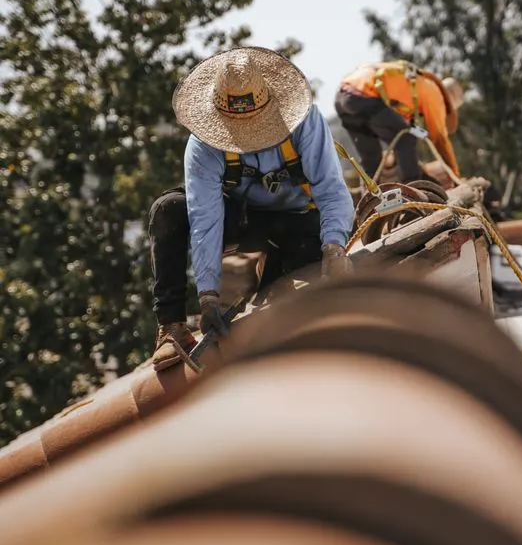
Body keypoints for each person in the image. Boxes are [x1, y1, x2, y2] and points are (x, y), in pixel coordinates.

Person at [148, 46, 355, 370]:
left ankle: (276, 282)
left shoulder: (304, 122)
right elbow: (205, 218)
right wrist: (208, 296)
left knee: (288, 309)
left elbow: (331, 191)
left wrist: (334, 248)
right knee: (169, 209)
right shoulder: (204, 145)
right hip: (245, 221)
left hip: (299, 223)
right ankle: (171, 328)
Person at [334, 61, 464, 184]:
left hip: (343, 96)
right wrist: (455, 175)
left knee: (372, 157)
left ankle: (369, 197)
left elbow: (407, 126)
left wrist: (424, 135)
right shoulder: (435, 94)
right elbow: (440, 139)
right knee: (406, 139)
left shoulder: (413, 86)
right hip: (363, 94)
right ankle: (414, 188)